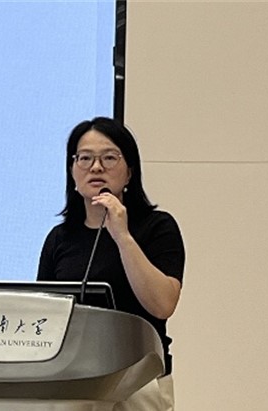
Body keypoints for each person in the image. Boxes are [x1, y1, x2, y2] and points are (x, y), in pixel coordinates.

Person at [37, 117, 185, 411]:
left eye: (109, 158)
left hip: (139, 381)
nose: (96, 167)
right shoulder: (59, 238)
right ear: (72, 171)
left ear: (129, 172)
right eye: (85, 158)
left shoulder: (157, 227)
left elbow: (162, 304)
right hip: (72, 381)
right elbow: (44, 316)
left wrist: (122, 236)